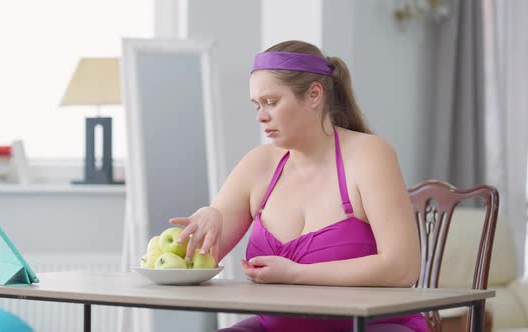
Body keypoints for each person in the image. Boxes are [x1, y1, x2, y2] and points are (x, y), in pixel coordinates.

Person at [169, 40, 428, 332]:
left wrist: (297, 274)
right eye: (257, 105)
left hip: (372, 326)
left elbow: (403, 268)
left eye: (271, 102)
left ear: (314, 94)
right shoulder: (258, 164)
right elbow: (191, 264)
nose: (261, 116)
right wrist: (209, 216)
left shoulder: (369, 155)